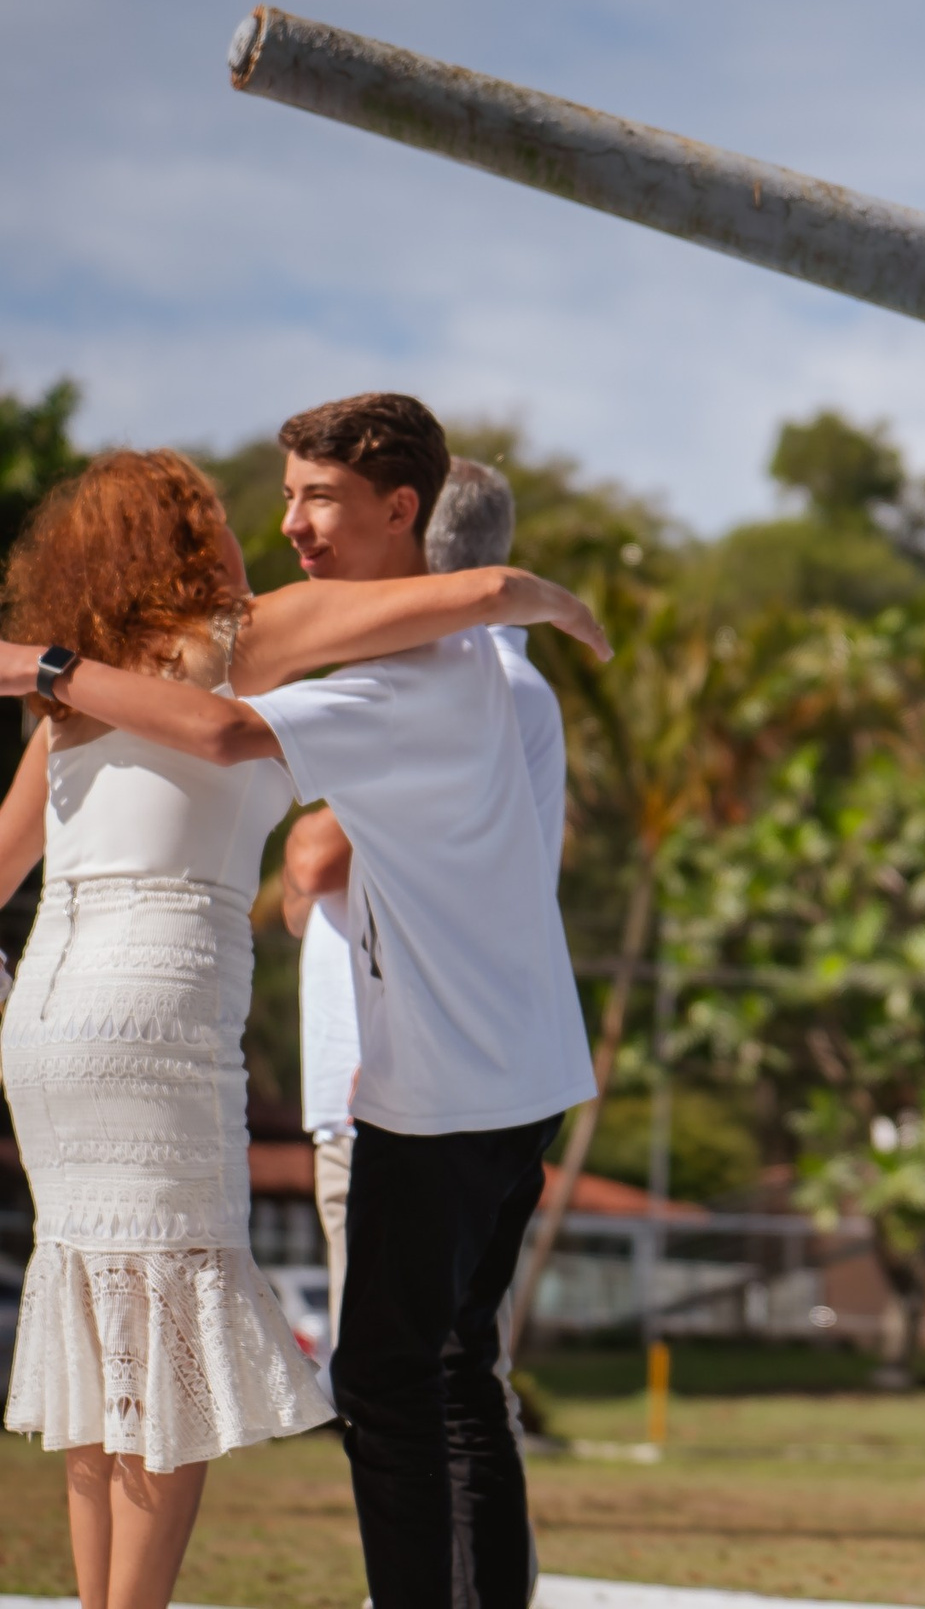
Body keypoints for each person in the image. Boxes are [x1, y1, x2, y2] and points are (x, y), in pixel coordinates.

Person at [6, 394, 607, 1609]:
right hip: (194, 1018)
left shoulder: (77, 702)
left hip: (60, 1025)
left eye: (306, 500)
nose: (276, 532)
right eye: (254, 510)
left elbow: (33, 846)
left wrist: (54, 666)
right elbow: (460, 608)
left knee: (104, 1332)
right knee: (261, 1354)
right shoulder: (253, 649)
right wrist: (540, 599)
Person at [279, 458, 566, 1353]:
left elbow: (315, 856)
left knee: (410, 1382)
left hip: (403, 1080)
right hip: (439, 1072)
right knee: (454, 1372)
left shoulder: (455, 680)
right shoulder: (510, 681)